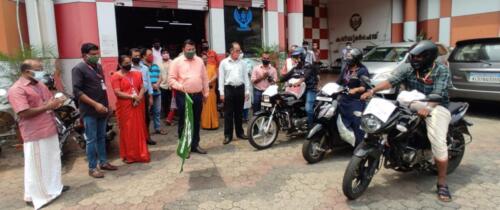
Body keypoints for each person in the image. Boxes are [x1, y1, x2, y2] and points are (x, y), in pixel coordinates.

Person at [361, 40, 453, 202]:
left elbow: (439, 92)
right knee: (387, 119)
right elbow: (391, 81)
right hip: (411, 101)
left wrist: (429, 107)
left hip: (436, 105)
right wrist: (372, 90)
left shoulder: (441, 70)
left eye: (418, 57)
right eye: (413, 56)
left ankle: (442, 182)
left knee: (438, 142)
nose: (414, 59)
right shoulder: (409, 67)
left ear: (428, 58)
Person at [8, 59, 70, 209]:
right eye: (39, 68)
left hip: (49, 127)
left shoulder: (40, 84)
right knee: (36, 166)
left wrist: (57, 101)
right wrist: (48, 106)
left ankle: (54, 188)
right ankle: (37, 195)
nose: (42, 71)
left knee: (52, 160)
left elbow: (48, 101)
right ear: (27, 71)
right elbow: (23, 112)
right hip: (35, 132)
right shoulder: (17, 89)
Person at [72, 43, 118, 178]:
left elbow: (102, 87)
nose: (96, 56)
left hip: (102, 109)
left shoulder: (98, 67)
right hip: (89, 111)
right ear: (84, 55)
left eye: (97, 54)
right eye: (93, 54)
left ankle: (103, 162)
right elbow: (77, 91)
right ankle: (92, 168)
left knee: (101, 137)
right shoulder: (78, 69)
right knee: (91, 140)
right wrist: (95, 104)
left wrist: (107, 104)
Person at [168, 39, 210, 154]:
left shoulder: (200, 61)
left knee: (196, 121)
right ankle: (183, 147)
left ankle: (195, 145)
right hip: (183, 96)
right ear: (183, 49)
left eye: (193, 49)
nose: (191, 51)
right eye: (188, 49)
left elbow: (205, 78)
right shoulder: (176, 62)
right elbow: (171, 79)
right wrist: (181, 87)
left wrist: (206, 93)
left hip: (197, 96)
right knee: (185, 121)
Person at [111, 55, 151, 163]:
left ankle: (140, 153)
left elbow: (142, 87)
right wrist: (132, 97)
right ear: (120, 64)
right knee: (128, 130)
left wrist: (139, 97)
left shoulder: (137, 74)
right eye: (126, 63)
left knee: (139, 128)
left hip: (138, 104)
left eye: (130, 62)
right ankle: (130, 155)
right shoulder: (115, 76)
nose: (129, 65)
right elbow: (117, 92)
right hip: (125, 107)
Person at [218, 42, 250, 145]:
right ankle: (228, 135)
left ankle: (240, 133)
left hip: (240, 89)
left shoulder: (243, 63)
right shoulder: (224, 62)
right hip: (229, 89)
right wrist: (221, 93)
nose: (239, 52)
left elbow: (246, 77)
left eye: (239, 50)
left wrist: (247, 91)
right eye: (237, 50)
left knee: (239, 113)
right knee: (228, 114)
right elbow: (221, 79)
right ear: (231, 51)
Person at [336, 48, 369, 146]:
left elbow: (363, 87)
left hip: (356, 100)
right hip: (344, 98)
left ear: (356, 59)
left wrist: (355, 90)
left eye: (350, 57)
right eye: (348, 56)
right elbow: (339, 81)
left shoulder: (363, 70)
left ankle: (360, 145)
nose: (347, 58)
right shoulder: (346, 68)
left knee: (356, 122)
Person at [280, 47, 318, 126]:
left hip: (310, 90)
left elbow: (304, 77)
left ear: (302, 56)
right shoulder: (296, 67)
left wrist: (296, 83)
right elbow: (286, 76)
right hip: (301, 90)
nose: (295, 59)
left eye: (297, 57)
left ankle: (311, 127)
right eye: (294, 57)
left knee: (308, 108)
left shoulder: (308, 66)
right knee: (292, 105)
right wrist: (276, 81)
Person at [130, 48, 156, 145]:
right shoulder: (129, 68)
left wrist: (150, 96)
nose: (136, 58)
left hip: (144, 95)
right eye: (134, 56)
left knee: (146, 118)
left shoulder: (144, 68)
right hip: (133, 96)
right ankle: (137, 139)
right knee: (135, 119)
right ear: (130, 57)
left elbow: (148, 82)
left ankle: (147, 137)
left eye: (138, 56)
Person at [143, 48, 167, 135]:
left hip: (157, 92)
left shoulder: (155, 65)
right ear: (144, 56)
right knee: (147, 113)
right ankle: (146, 131)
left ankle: (158, 128)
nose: (151, 56)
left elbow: (160, 76)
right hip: (147, 94)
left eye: (151, 54)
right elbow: (144, 79)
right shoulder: (142, 67)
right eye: (149, 55)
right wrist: (152, 85)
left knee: (157, 112)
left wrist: (157, 84)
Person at [201, 53, 219, 129]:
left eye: (206, 58)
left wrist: (209, 81)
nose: (204, 59)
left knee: (213, 107)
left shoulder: (212, 66)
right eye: (203, 58)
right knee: (205, 108)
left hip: (211, 90)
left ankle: (214, 124)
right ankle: (206, 125)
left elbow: (216, 75)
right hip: (203, 91)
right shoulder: (200, 68)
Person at [159, 49, 172, 119]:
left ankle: (172, 115)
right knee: (164, 101)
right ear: (161, 55)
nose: (165, 54)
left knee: (172, 101)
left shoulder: (173, 62)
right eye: (164, 53)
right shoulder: (159, 64)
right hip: (163, 85)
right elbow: (159, 75)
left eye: (167, 52)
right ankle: (166, 114)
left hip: (171, 85)